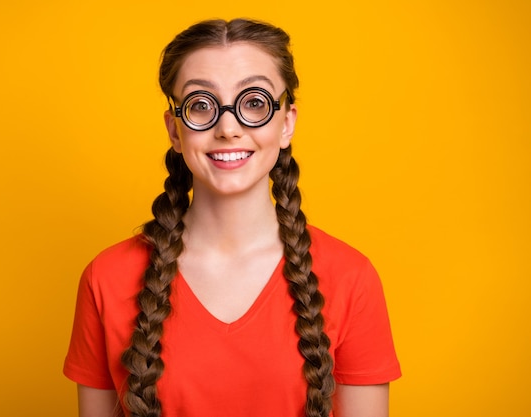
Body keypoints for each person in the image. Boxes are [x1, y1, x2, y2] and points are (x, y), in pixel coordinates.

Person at [63, 18, 401, 417]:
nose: (227, 128)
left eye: (254, 102)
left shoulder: (351, 277)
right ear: (175, 130)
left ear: (287, 122)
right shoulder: (106, 278)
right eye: (201, 105)